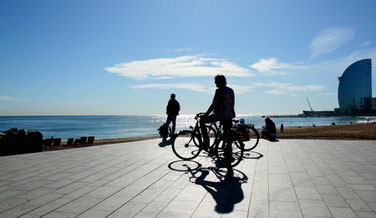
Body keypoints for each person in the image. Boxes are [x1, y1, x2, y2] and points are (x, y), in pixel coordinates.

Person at [200, 75, 235, 150]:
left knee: (202, 120)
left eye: (216, 81)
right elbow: (232, 104)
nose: (215, 83)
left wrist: (205, 114)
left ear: (219, 82)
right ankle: (228, 149)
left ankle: (206, 141)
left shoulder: (219, 90)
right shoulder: (231, 90)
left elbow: (214, 104)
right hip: (229, 114)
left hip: (220, 115)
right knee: (227, 132)